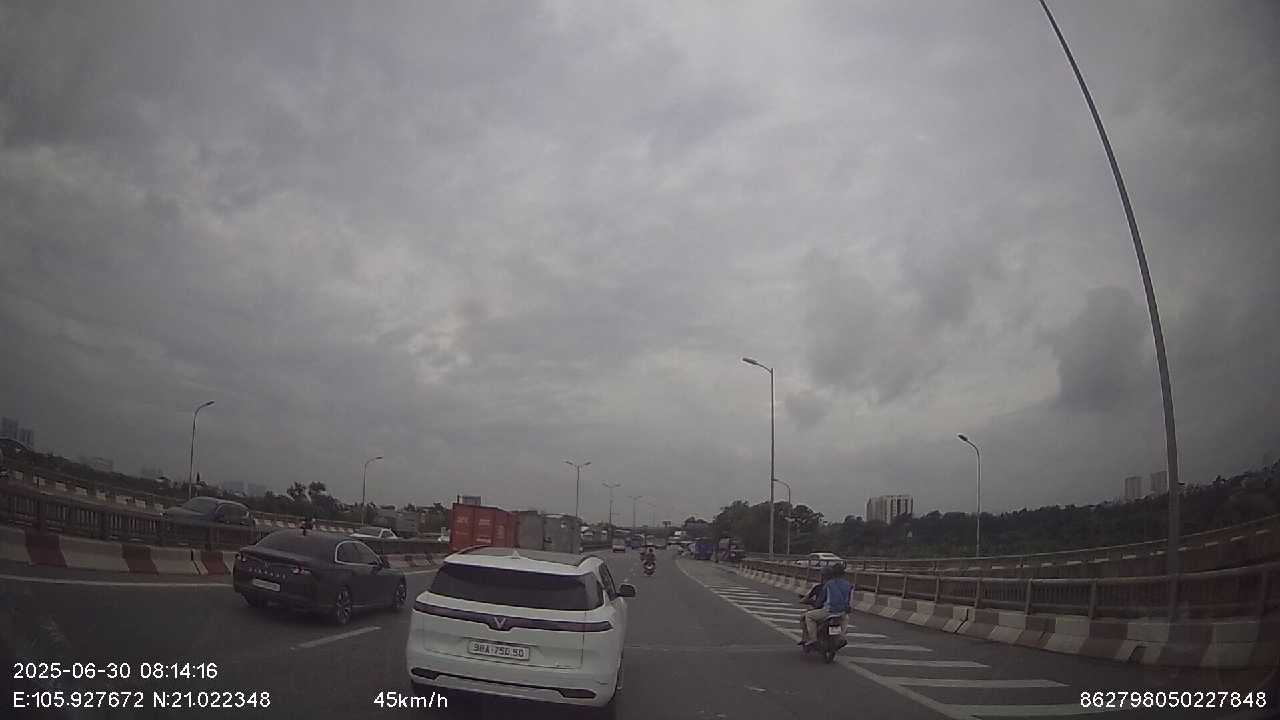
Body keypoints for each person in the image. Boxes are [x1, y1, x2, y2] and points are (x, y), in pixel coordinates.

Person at [799, 563, 852, 646]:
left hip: (829, 611)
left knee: (809, 616)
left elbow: (820, 600)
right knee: (845, 619)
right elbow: (848, 600)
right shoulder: (848, 585)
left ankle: (813, 639)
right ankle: (842, 637)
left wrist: (815, 605)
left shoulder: (829, 584)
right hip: (842, 612)